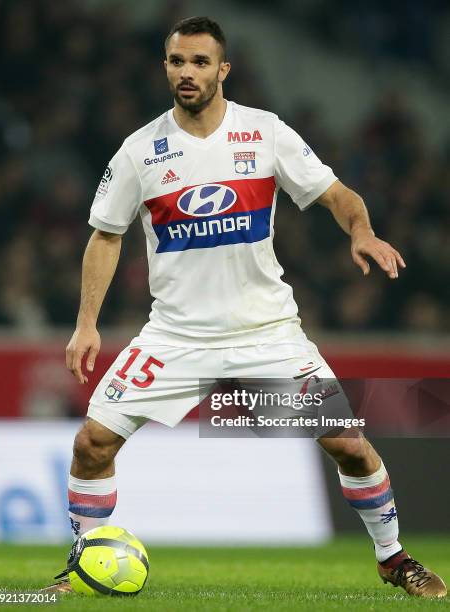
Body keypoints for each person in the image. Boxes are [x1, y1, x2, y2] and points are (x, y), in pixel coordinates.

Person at [43, 17, 446, 598]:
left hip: (267, 333)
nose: (187, 72)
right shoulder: (139, 150)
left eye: (200, 62)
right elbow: (105, 236)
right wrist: (86, 323)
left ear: (222, 70)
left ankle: (393, 558)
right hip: (176, 336)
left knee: (350, 446)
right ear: (165, 67)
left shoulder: (265, 133)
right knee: (91, 444)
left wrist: (360, 230)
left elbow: (337, 194)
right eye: (178, 61)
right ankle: (81, 562)